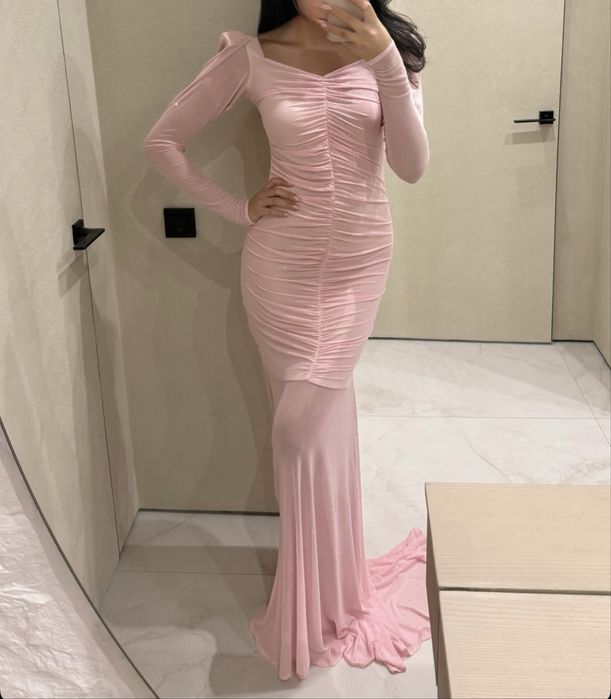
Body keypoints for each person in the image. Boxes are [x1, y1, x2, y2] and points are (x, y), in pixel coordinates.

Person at [143, 0, 430, 682]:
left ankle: (333, 592)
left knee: (300, 429)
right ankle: (320, 593)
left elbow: (412, 166)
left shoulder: (390, 51)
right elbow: (161, 143)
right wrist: (237, 208)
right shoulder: (251, 55)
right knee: (307, 427)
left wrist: (385, 62)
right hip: (279, 268)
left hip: (359, 263)